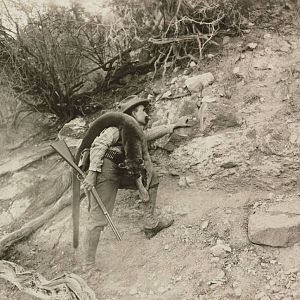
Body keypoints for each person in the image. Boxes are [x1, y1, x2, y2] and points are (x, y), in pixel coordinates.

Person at [81, 95, 190, 270]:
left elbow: (146, 136)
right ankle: (88, 265)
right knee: (98, 217)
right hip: (105, 170)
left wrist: (172, 126)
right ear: (133, 112)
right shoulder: (116, 128)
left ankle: (150, 224)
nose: (146, 114)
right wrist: (92, 174)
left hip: (122, 170)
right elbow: (98, 145)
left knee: (152, 178)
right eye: (143, 110)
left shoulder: (134, 131)